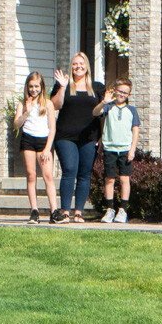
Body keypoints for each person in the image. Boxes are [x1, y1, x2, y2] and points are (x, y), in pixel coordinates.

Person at [49, 52, 106, 223]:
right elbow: (55, 105)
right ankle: (65, 211)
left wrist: (102, 137)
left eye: (81, 63)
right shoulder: (63, 85)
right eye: (75, 64)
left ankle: (79, 212)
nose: (78, 66)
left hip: (89, 136)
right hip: (65, 135)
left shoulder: (96, 87)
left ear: (87, 66)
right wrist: (62, 87)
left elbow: (103, 112)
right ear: (71, 67)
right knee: (69, 170)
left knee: (84, 174)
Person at [93, 78, 141, 223]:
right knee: (109, 179)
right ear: (115, 91)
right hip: (110, 148)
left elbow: (135, 130)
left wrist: (132, 149)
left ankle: (123, 210)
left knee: (125, 179)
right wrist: (104, 102)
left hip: (125, 149)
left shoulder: (132, 110)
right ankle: (109, 209)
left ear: (129, 94)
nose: (122, 94)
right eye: (120, 91)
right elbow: (95, 113)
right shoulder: (109, 107)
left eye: (125, 93)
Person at [13, 71, 58, 224]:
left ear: (41, 87)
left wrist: (47, 148)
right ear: (27, 87)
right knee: (31, 175)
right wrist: (26, 111)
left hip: (43, 141)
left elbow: (52, 128)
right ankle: (34, 211)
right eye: (31, 86)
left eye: (36, 86)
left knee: (48, 175)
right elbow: (16, 124)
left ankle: (54, 211)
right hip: (28, 140)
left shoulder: (48, 104)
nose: (33, 89)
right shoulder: (22, 103)